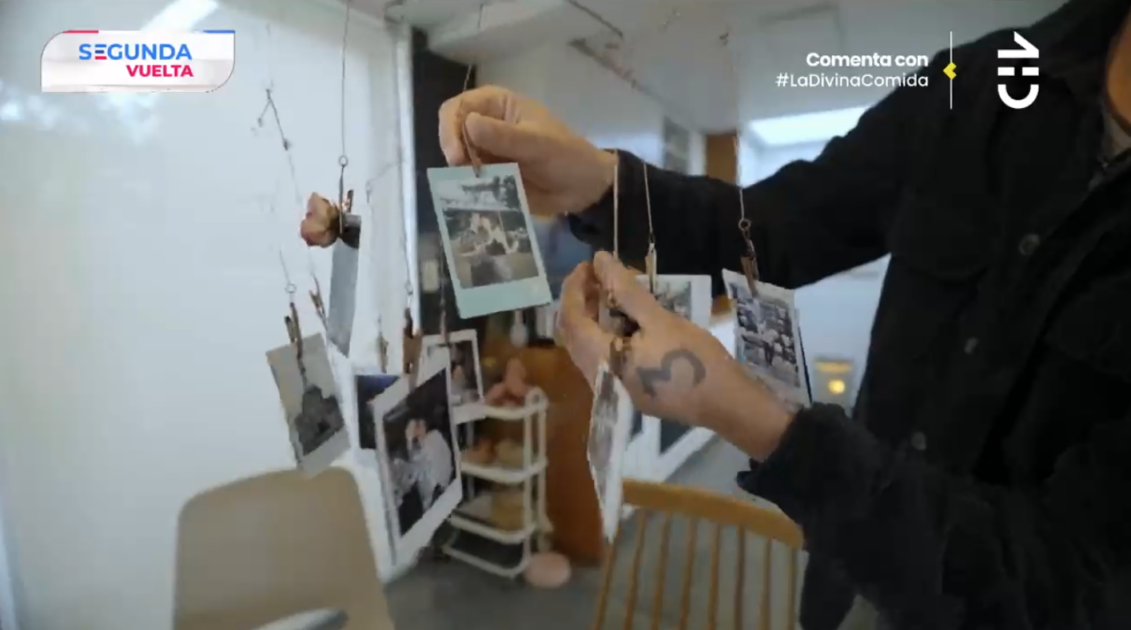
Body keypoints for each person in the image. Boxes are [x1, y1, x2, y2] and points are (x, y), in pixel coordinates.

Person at [437, 1, 1131, 628]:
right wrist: (599, 182)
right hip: (842, 584)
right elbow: (776, 226)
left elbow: (1075, 581)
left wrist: (752, 418)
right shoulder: (985, 78)